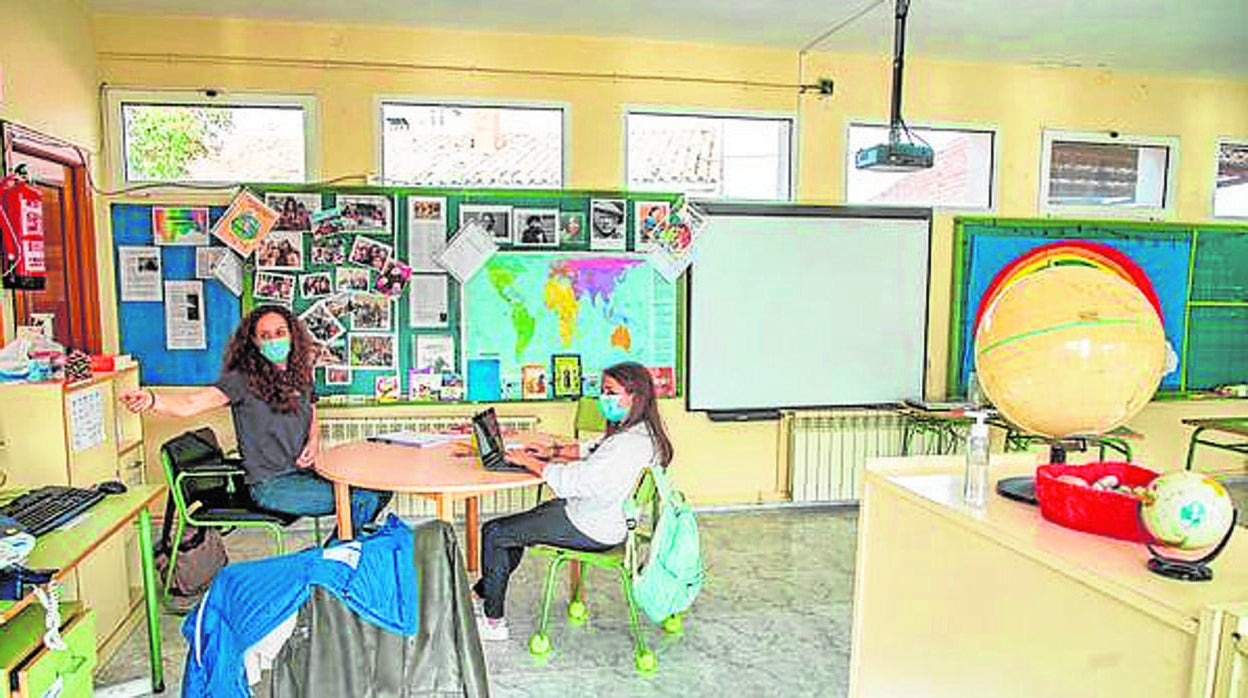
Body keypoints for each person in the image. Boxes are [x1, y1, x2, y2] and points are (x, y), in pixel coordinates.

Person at [119, 305, 392, 534]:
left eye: (280, 333)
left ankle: (341, 554)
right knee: (361, 499)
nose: (274, 340)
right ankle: (333, 565)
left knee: (381, 488)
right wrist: (152, 400)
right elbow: (192, 404)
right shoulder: (242, 381)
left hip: (304, 473)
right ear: (254, 342)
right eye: (265, 335)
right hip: (271, 485)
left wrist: (313, 440)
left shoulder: (300, 373)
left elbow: (311, 408)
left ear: (292, 336)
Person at [471, 361, 674, 641]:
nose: (604, 398)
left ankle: (493, 623)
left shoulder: (627, 445)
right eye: (603, 390)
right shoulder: (641, 433)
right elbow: (593, 448)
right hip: (603, 517)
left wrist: (529, 461)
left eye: (610, 391)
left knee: (495, 532)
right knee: (515, 529)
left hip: (592, 527)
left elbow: (576, 482)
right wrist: (551, 450)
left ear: (634, 395)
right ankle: (482, 591)